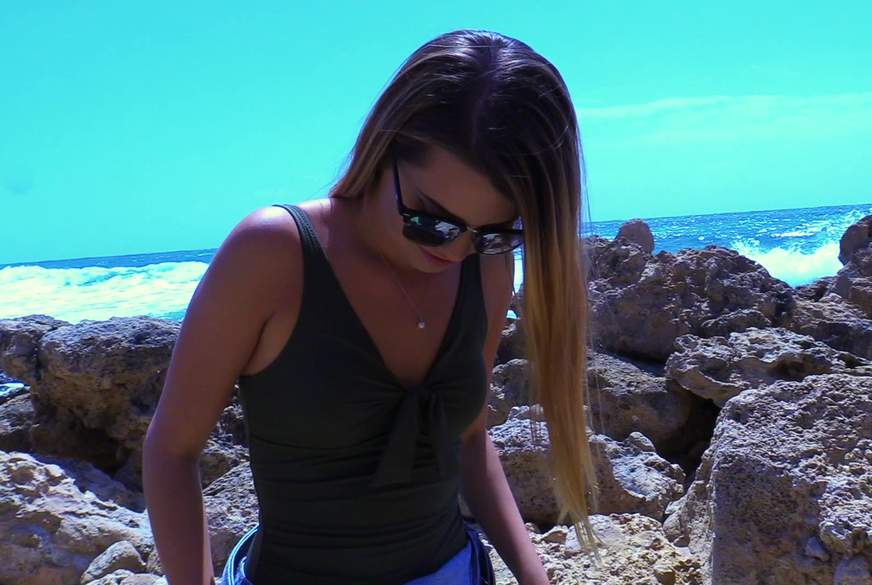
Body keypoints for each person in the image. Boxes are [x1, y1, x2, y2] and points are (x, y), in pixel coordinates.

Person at [143, 28, 603, 585]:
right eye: (431, 220)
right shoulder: (274, 255)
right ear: (384, 148)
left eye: (494, 232)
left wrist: (534, 576)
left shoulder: (487, 266)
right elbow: (172, 450)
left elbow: (468, 438)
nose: (455, 250)